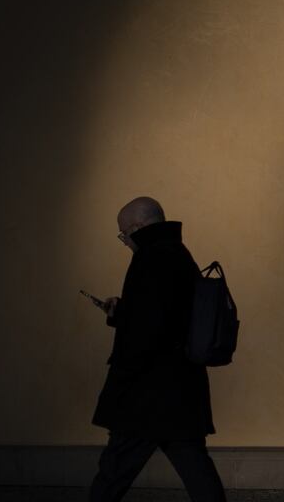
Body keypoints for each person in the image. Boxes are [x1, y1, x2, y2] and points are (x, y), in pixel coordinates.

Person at [89, 197, 226, 502]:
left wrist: (122, 378)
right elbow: (167, 316)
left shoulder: (149, 259)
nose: (124, 241)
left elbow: (147, 328)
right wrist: (123, 313)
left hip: (146, 392)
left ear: (138, 227)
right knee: (195, 467)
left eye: (124, 234)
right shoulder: (179, 254)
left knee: (113, 472)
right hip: (180, 388)